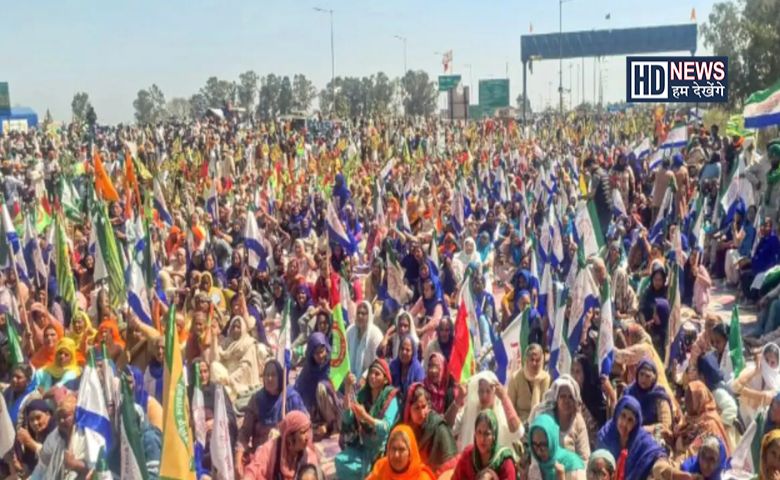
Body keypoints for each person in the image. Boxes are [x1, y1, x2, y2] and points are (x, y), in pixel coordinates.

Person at [236, 360, 307, 471]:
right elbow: (245, 432)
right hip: (260, 454)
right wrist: (238, 457)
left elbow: (305, 426)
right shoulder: (256, 400)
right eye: (267, 375)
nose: (269, 379)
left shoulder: (291, 398)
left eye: (273, 375)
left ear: (280, 377)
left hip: (287, 453)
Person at [596, 395, 690, 480]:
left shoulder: (640, 437)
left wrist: (665, 470)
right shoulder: (605, 436)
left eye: (630, 420)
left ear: (635, 424)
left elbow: (655, 453)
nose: (624, 424)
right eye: (623, 416)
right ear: (617, 414)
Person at [335, 358, 400, 480]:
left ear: (385, 379)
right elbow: (347, 418)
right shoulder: (363, 395)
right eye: (371, 373)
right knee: (339, 461)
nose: (372, 377)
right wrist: (348, 388)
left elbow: (385, 428)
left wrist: (365, 417)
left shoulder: (391, 399)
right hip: (364, 448)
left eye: (377, 374)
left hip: (381, 454)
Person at [450, 370, 522, 451]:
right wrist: (458, 399)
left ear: (495, 393)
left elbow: (518, 433)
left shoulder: (502, 413)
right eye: (481, 391)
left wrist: (504, 398)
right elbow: (448, 428)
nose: (484, 396)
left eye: (488, 391)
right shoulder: (469, 412)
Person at [529, 375, 591, 463]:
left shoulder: (578, 421)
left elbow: (584, 457)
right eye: (563, 396)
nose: (567, 400)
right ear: (556, 399)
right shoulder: (546, 418)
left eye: (570, 397)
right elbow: (537, 451)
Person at [243, 410, 322, 480]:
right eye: (303, 432)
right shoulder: (270, 450)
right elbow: (253, 470)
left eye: (308, 431)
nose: (307, 437)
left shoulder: (309, 457)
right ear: (289, 437)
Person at [402, 383, 458, 475]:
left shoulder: (439, 427)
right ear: (408, 410)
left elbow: (450, 466)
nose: (422, 412)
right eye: (416, 408)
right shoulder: (408, 429)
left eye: (424, 406)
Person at [294, 332, 341, 437]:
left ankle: (333, 426)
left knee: (322, 387)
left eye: (322, 351)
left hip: (337, 408)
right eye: (316, 353)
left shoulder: (334, 364)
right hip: (318, 410)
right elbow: (300, 389)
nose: (320, 356)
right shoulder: (309, 368)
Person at [452, 410, 518, 480]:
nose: (482, 439)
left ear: (494, 436)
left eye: (487, 434)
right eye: (479, 432)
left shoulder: (505, 461)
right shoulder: (468, 455)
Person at [675, 381, 733, 459]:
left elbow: (697, 452)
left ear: (701, 399)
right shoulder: (692, 417)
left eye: (692, 399)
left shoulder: (709, 423)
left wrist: (681, 448)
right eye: (687, 396)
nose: (687, 402)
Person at [365, 424, 436, 480]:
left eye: (402, 449)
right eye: (393, 449)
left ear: (410, 453)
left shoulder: (422, 477)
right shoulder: (381, 467)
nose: (396, 455)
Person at [528, 413, 586, 480]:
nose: (538, 452)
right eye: (534, 445)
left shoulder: (573, 466)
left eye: (543, 445)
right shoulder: (535, 469)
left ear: (552, 442)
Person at [733, 342, 780, 423]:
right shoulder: (752, 369)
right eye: (766, 360)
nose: (768, 364)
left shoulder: (777, 382)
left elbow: (766, 397)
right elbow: (734, 386)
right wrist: (756, 371)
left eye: (772, 363)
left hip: (764, 420)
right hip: (745, 413)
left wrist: (742, 390)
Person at [624, 359, 673, 435]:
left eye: (648, 376)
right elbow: (619, 416)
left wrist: (645, 429)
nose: (643, 379)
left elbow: (666, 424)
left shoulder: (659, 396)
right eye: (641, 374)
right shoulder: (629, 392)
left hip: (651, 438)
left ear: (653, 378)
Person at [10, 399, 56, 478]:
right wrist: (19, 468)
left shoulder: (56, 430)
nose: (35, 423)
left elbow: (52, 458)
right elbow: (28, 465)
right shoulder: (33, 433)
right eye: (31, 420)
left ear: (48, 414)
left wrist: (30, 442)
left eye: (38, 417)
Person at [508, 343, 552, 424]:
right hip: (519, 425)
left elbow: (545, 407)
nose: (534, 363)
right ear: (526, 360)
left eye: (537, 360)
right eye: (532, 359)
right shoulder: (515, 378)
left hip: (539, 424)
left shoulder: (546, 378)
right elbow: (509, 407)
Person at [346, 300, 384, 380]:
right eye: (358, 313)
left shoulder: (375, 334)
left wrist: (364, 378)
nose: (360, 316)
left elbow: (377, 360)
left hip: (369, 379)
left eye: (363, 314)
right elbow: (345, 354)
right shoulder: (350, 331)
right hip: (349, 377)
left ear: (369, 315)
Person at [389, 334, 424, 400]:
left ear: (413, 352)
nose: (404, 352)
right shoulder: (393, 365)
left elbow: (419, 394)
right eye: (402, 349)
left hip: (411, 404)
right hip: (394, 402)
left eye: (407, 350)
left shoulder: (418, 370)